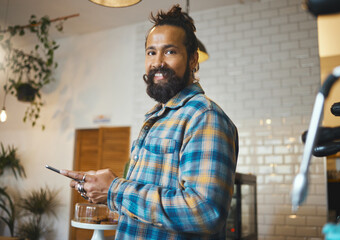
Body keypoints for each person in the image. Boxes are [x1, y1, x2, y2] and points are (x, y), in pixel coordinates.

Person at [61, 5, 239, 239]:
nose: (157, 62)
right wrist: (102, 190)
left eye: (170, 51)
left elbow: (205, 212)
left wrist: (115, 189)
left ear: (193, 59)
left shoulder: (204, 116)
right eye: (151, 52)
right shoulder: (157, 117)